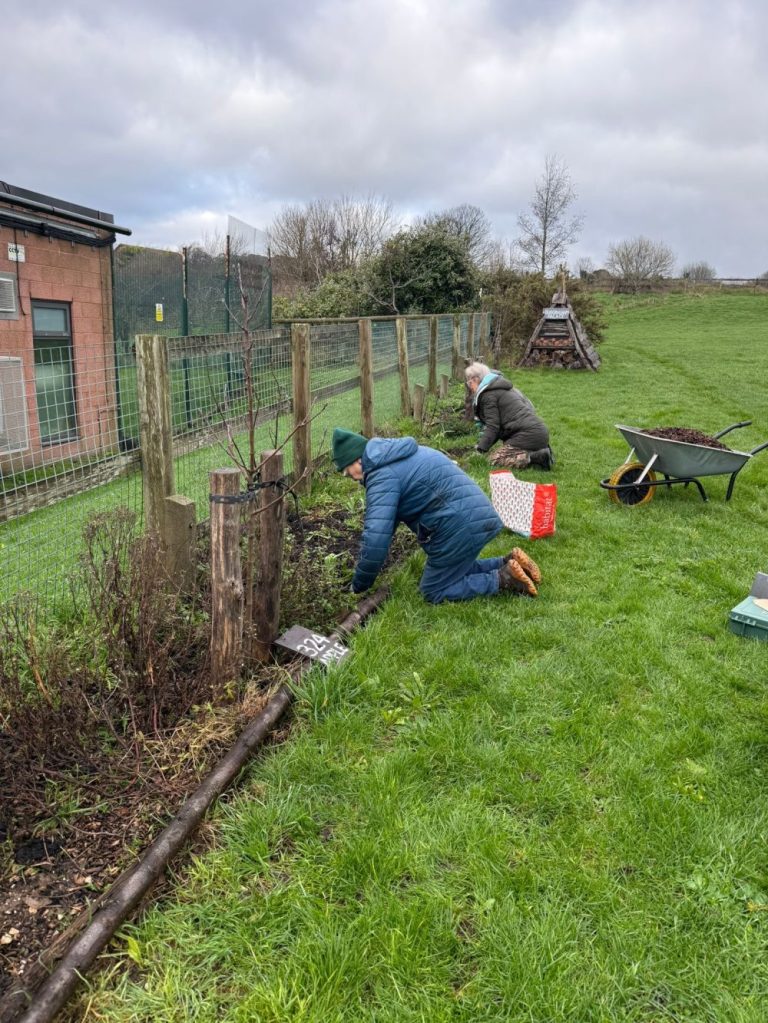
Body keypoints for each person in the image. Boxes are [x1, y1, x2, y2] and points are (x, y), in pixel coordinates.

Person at [332, 427, 541, 603]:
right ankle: (508, 562)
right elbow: (386, 525)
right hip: (476, 516)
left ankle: (504, 579)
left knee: (433, 590)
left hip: (457, 527)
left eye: (346, 470)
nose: (348, 476)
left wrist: (359, 586)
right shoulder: (400, 454)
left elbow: (376, 537)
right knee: (453, 572)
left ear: (358, 460)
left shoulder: (381, 476)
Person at [464, 361, 554, 470]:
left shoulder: (488, 395)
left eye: (469, 383)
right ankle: (537, 451)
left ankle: (536, 457)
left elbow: (493, 427)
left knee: (494, 459)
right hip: (538, 433)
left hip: (527, 434)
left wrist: (480, 450)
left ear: (476, 379)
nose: (469, 387)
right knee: (497, 453)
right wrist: (483, 446)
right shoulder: (500, 389)